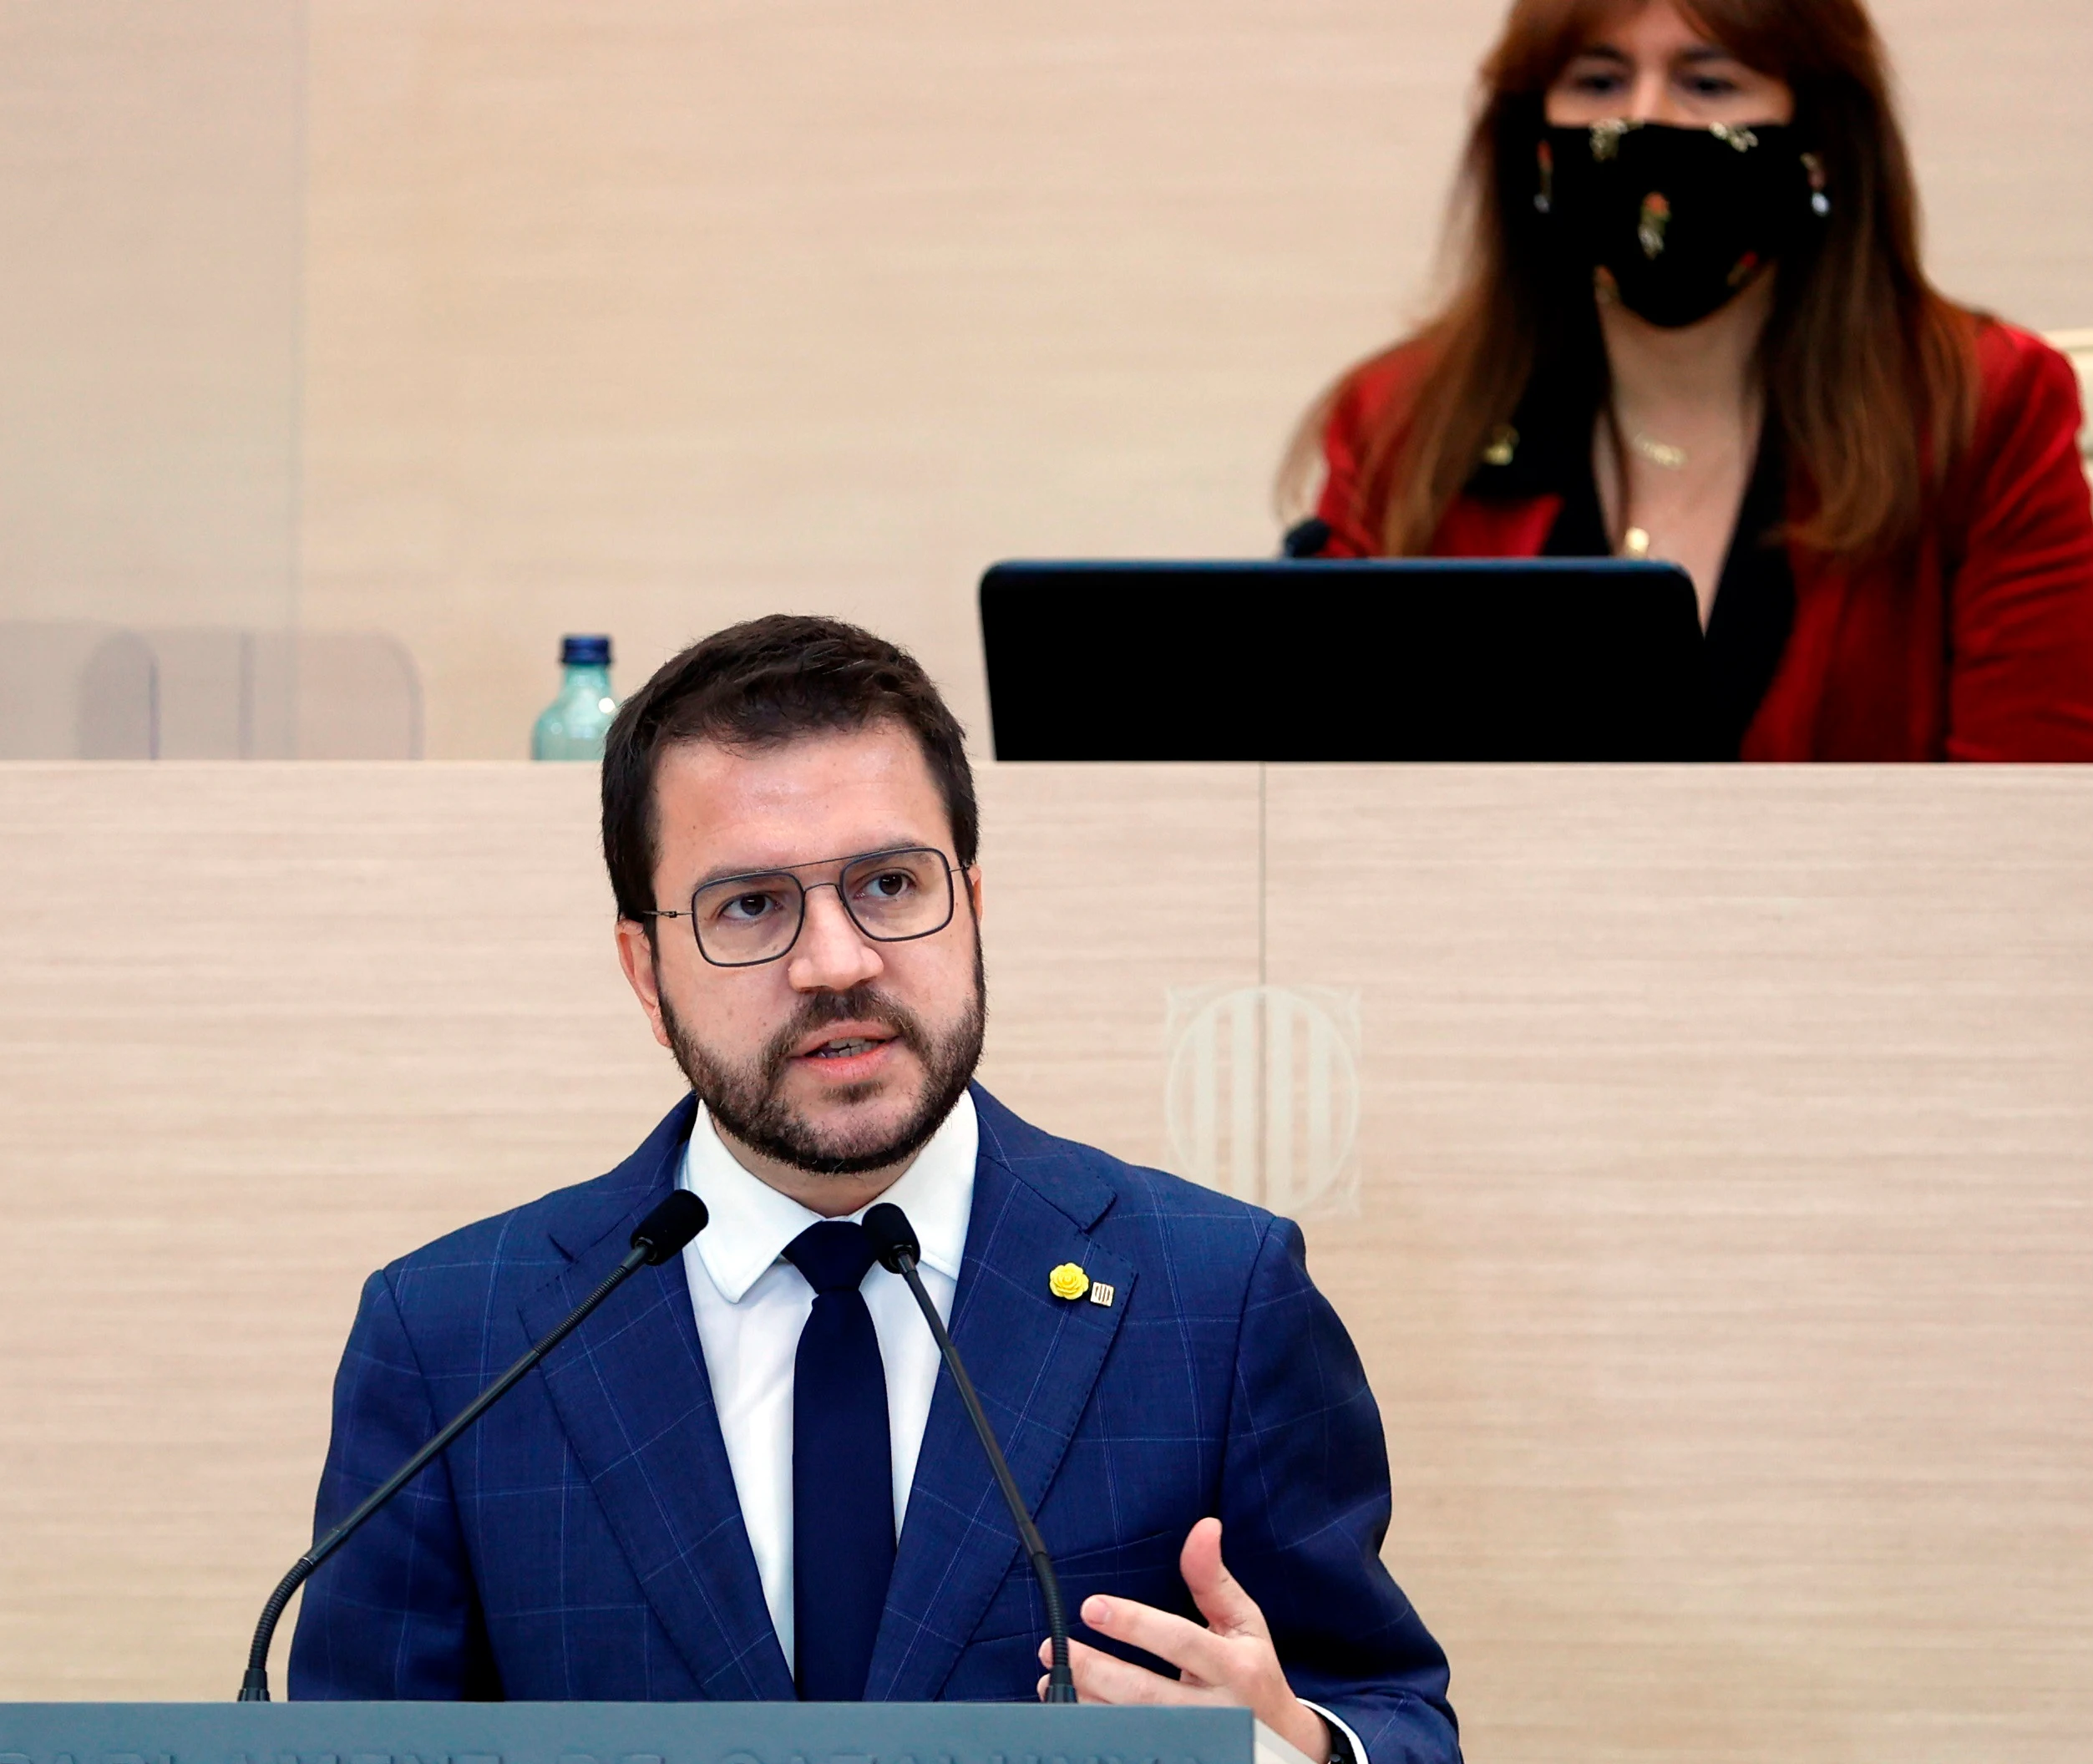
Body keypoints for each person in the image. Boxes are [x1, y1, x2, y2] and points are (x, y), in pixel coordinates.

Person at [290, 616, 1458, 1764]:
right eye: (748, 906)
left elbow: (1390, 1713)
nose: (837, 962)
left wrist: (1298, 1753)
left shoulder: (1215, 1296)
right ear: (644, 971)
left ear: (974, 905)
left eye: (890, 884)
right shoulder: (456, 1343)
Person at [1290, 0, 2093, 762]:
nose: (1645, 117)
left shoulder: (1980, 410)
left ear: (1820, 147)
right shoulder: (1401, 421)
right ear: (1534, 145)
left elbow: (2047, 830)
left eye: (1709, 82)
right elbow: (1321, 796)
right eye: (1598, 80)